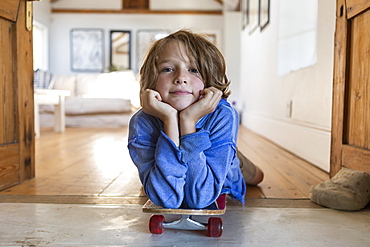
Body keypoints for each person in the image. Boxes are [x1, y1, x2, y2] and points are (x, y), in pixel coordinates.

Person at [128, 30, 263, 209]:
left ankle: (233, 155)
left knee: (257, 177)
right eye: (168, 69)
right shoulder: (142, 122)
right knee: (162, 184)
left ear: (209, 80)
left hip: (222, 159)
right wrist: (170, 121)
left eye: (193, 70)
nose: (181, 78)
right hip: (200, 151)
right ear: (152, 78)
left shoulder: (223, 114)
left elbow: (200, 198)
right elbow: (167, 199)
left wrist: (188, 122)